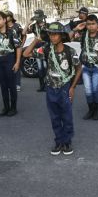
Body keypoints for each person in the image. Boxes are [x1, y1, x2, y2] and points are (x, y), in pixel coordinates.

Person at [22, 22, 81, 155]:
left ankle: (67, 142)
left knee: (66, 116)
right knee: (54, 116)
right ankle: (58, 141)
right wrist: (36, 40)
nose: (52, 37)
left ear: (61, 36)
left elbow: (79, 68)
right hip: (50, 88)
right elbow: (26, 54)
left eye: (55, 34)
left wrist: (73, 87)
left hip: (65, 87)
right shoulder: (46, 49)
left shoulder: (69, 51)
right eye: (50, 34)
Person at [72, 14, 98, 120]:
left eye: (93, 24)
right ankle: (90, 110)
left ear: (97, 25)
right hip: (85, 67)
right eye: (88, 24)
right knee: (88, 90)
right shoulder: (83, 35)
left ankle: (97, 110)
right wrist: (76, 28)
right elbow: (68, 37)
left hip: (97, 67)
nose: (91, 26)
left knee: (95, 89)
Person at [25, 10, 48, 92]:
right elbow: (26, 32)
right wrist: (28, 23)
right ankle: (42, 86)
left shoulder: (47, 25)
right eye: (36, 18)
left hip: (46, 47)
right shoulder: (34, 26)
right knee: (40, 68)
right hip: (37, 47)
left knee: (46, 67)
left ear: (42, 18)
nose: (37, 19)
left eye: (38, 18)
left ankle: (47, 86)